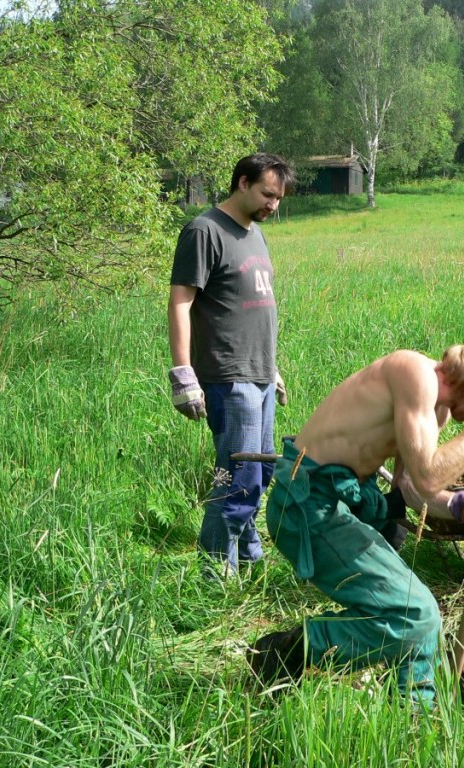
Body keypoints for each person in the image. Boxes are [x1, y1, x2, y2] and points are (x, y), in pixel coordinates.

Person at [247, 341, 464, 704]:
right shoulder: (416, 375)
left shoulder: (438, 408)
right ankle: (289, 652)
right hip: (306, 506)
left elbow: (413, 488)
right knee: (416, 615)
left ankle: (413, 714)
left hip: (330, 506)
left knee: (413, 616)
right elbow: (431, 476)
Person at [167, 153, 296, 580]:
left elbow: (254, 307)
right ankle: (213, 571)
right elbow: (181, 302)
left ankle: (247, 557)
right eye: (267, 194)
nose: (272, 205)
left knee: (258, 474)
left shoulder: (255, 234)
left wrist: (271, 367)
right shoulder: (205, 231)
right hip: (228, 377)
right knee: (236, 477)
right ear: (242, 182)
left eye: (278, 198)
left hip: (258, 375)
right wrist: (183, 373)